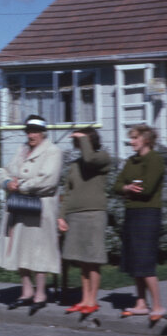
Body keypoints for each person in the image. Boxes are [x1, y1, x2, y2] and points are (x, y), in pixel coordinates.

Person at [0, 115, 62, 313]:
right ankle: (26, 292)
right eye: (28, 131)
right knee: (20, 249)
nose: (31, 135)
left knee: (39, 251)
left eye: (34, 131)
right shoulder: (21, 150)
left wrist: (20, 185)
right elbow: (4, 172)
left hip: (40, 208)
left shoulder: (53, 152)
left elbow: (47, 180)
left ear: (43, 133)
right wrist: (8, 183)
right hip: (19, 207)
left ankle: (40, 294)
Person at [113, 124, 165, 321]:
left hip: (148, 213)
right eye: (131, 138)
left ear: (146, 140)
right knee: (135, 258)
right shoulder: (131, 161)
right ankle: (141, 303)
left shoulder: (155, 160)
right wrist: (128, 186)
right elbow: (117, 185)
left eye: (135, 138)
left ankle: (158, 305)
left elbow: (148, 188)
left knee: (145, 260)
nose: (131, 142)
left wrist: (131, 186)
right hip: (132, 212)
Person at [57, 127, 111, 314]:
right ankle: (85, 299)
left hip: (94, 214)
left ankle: (92, 300)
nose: (80, 143)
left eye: (84, 139)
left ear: (90, 140)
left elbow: (89, 159)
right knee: (82, 261)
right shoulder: (74, 165)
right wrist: (62, 216)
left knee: (93, 259)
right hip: (75, 215)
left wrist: (83, 138)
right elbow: (68, 192)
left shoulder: (102, 157)